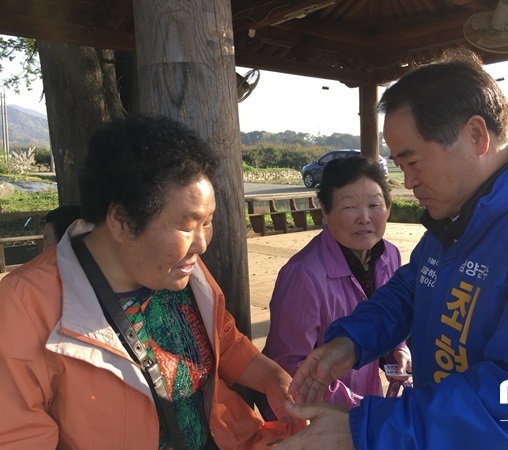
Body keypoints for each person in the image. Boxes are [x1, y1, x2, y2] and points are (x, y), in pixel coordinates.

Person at [279, 49, 508, 450]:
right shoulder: (457, 213)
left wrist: (367, 429)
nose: (408, 182)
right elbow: (412, 290)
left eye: (413, 161)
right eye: (399, 165)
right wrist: (350, 342)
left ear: (475, 136)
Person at [0, 116, 305, 449]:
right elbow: (17, 435)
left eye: (208, 221)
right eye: (188, 225)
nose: (202, 243)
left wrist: (270, 377)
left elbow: (223, 339)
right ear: (122, 221)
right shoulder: (22, 308)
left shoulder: (180, 269)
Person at [260, 157, 410, 419]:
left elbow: (391, 316)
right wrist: (359, 406)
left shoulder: (390, 255)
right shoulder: (303, 274)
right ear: (325, 210)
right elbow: (289, 368)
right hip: (315, 420)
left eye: (375, 204)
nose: (365, 218)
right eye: (350, 206)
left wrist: (397, 351)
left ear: (387, 208)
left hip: (363, 409)